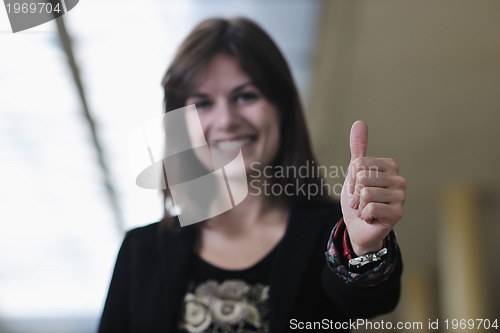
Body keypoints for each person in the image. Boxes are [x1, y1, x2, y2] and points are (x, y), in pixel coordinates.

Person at [98, 17, 406, 333]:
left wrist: (363, 248)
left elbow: (370, 301)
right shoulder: (141, 250)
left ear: (281, 110)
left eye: (245, 96)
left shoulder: (333, 236)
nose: (226, 120)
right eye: (202, 103)